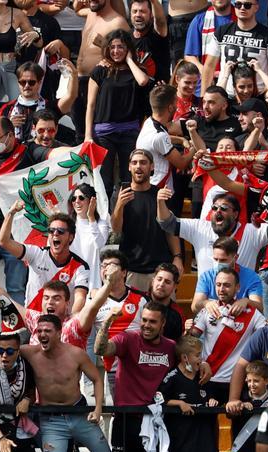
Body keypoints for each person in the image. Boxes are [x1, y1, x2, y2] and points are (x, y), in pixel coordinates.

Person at [95, 300, 177, 452]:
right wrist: (107, 322)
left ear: (163, 323)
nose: (146, 325)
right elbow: (100, 349)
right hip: (127, 418)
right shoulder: (127, 339)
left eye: (152, 321)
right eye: (144, 320)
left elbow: (190, 363)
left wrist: (203, 365)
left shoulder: (171, 347)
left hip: (156, 419)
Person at [25, 313, 112, 452]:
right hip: (51, 420)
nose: (42, 334)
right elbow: (6, 349)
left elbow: (97, 379)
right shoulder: (30, 353)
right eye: (39, 331)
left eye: (47, 331)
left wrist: (97, 409)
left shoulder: (76, 354)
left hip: (80, 415)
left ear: (59, 333)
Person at [85, 30, 152, 188]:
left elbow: (143, 81)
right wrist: (88, 135)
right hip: (104, 133)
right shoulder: (100, 71)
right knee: (104, 180)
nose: (116, 51)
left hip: (129, 132)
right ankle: (103, 213)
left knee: (128, 179)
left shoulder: (137, 71)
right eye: (112, 47)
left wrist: (129, 61)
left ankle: (125, 212)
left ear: (128, 48)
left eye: (121, 47)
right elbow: (91, 104)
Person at [188, 267, 266, 403]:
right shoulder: (208, 309)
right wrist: (188, 329)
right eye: (218, 285)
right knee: (206, 424)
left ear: (238, 287)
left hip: (238, 380)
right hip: (208, 377)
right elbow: (192, 340)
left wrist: (248, 301)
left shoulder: (251, 312)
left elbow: (267, 336)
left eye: (227, 285)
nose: (221, 289)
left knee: (240, 424)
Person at [110, 149, 180, 293]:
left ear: (152, 166)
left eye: (143, 162)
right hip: (132, 269)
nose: (138, 166)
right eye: (134, 163)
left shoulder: (161, 195)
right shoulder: (120, 195)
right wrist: (119, 205)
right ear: (129, 167)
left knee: (163, 314)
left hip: (160, 271)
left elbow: (171, 230)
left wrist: (177, 257)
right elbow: (116, 229)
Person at [201, 0, 268, 92]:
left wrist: (265, 95)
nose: (242, 8)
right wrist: (204, 97)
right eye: (238, 5)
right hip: (226, 96)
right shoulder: (222, 31)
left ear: (256, 8)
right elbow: (209, 66)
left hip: (255, 96)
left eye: (247, 5)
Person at [157, 336, 219, 452]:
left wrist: (212, 400)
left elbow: (211, 396)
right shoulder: (172, 377)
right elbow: (158, 399)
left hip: (204, 440)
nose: (201, 359)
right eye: (197, 355)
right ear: (185, 357)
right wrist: (180, 403)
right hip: (181, 440)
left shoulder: (203, 376)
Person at [0, 332, 37, 452]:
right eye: (0, 351)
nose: (4, 356)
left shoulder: (26, 366)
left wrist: (27, 399)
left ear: (18, 352)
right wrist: (1, 439)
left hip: (21, 428)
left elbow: (32, 394)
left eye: (10, 351)